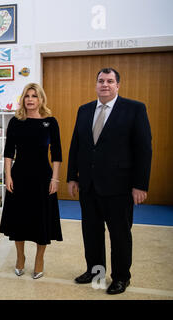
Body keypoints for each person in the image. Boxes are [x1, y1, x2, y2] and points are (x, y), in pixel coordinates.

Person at [67, 68, 152, 294]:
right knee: (91, 232)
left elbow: (144, 149)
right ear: (95, 84)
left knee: (120, 235)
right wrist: (72, 177)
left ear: (118, 85)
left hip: (120, 187)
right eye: (101, 81)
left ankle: (122, 277)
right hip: (88, 185)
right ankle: (96, 272)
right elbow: (76, 145)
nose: (105, 84)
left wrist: (140, 184)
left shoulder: (134, 109)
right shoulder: (84, 110)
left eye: (110, 81)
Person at [0, 83, 63, 279]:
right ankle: (20, 257)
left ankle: (39, 259)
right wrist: (8, 176)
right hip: (19, 176)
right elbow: (8, 153)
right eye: (27, 95)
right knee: (19, 219)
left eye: (34, 96)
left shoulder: (50, 122)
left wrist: (55, 179)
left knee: (41, 220)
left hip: (43, 177)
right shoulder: (16, 122)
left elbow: (57, 154)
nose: (30, 99)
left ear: (41, 99)